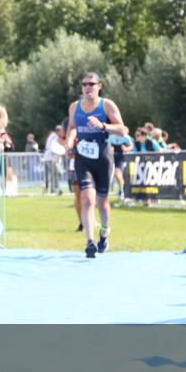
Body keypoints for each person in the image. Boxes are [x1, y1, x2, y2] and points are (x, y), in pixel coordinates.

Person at [65, 72, 129, 258]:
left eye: (91, 84)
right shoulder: (74, 107)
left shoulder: (106, 105)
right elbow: (72, 128)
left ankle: (104, 231)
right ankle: (90, 242)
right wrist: (69, 144)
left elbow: (122, 129)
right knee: (87, 200)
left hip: (103, 157)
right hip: (82, 158)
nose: (87, 87)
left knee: (102, 202)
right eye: (84, 84)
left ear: (99, 86)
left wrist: (103, 126)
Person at [42, 125, 66, 195]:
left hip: (49, 158)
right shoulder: (54, 137)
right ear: (58, 131)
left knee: (53, 174)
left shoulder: (53, 136)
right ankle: (55, 189)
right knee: (55, 173)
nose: (63, 133)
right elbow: (52, 148)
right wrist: (62, 152)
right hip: (50, 158)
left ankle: (52, 189)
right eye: (62, 131)